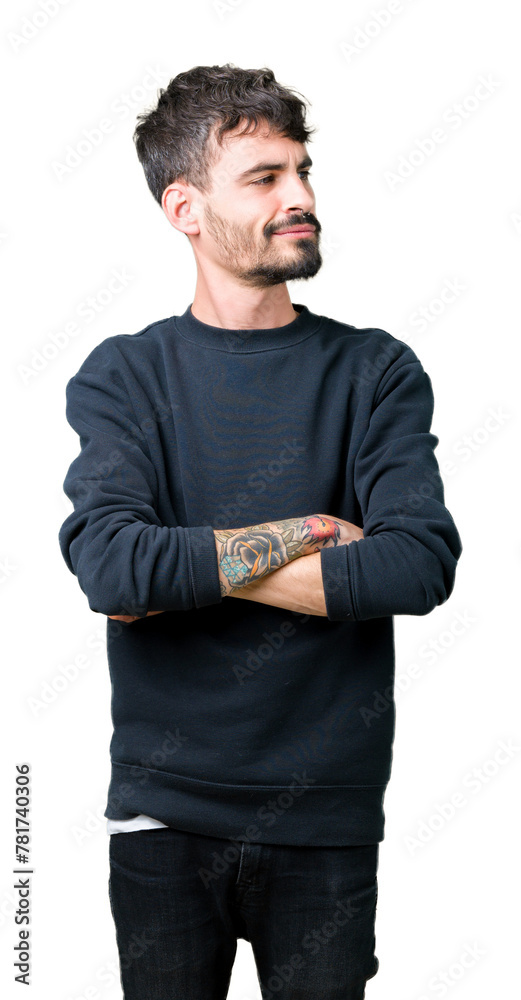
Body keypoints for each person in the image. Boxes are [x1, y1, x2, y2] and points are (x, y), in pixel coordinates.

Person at [58, 63, 463, 1000]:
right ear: (184, 206)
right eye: (266, 178)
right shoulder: (124, 377)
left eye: (303, 172)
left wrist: (179, 573)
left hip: (323, 821)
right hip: (163, 818)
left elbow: (416, 564)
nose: (302, 198)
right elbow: (112, 571)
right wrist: (314, 531)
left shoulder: (374, 371)